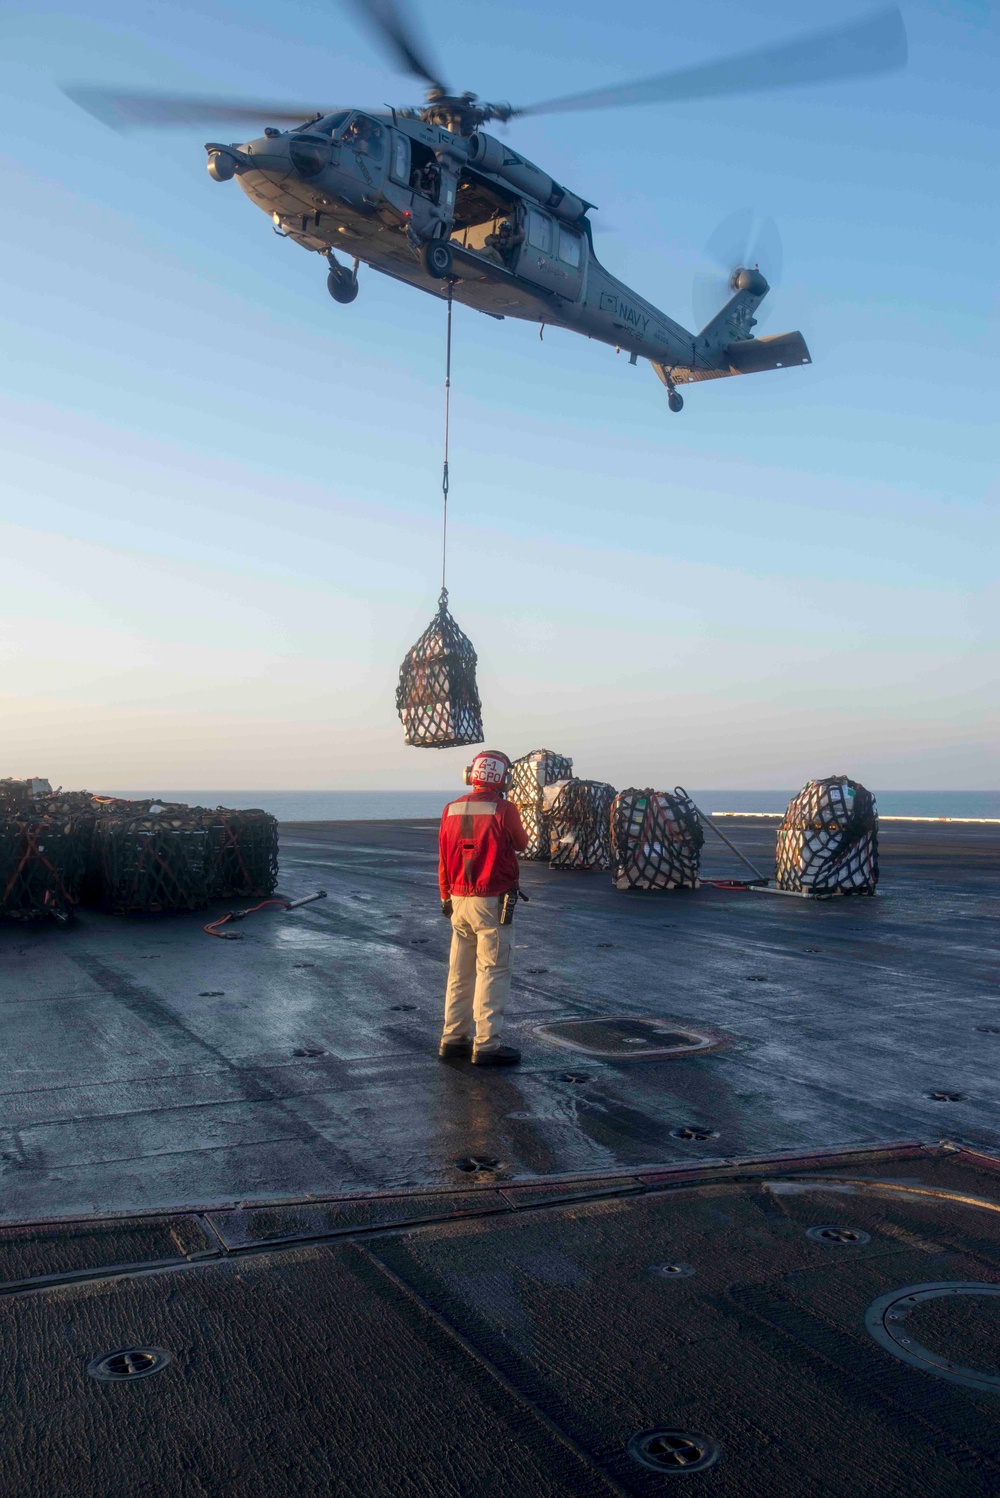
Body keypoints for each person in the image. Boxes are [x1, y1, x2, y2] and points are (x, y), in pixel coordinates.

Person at [437, 750, 528, 1066]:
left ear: (469, 775)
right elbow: (522, 844)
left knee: (459, 973)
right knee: (492, 970)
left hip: (457, 901)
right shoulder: (504, 809)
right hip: (491, 902)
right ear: (504, 780)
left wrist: (446, 897)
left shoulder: (451, 810)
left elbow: (444, 859)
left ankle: (452, 1040)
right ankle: (486, 1046)